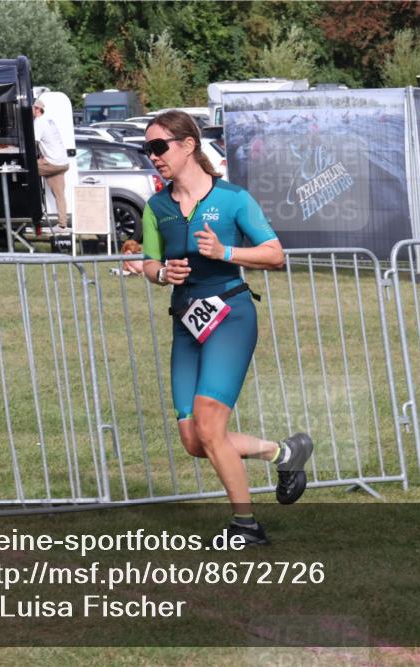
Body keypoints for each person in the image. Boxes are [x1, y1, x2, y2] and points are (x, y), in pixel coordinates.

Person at [140, 110, 313, 545]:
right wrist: (163, 275)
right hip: (187, 324)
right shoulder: (156, 206)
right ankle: (284, 452)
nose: (153, 156)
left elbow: (275, 255)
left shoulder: (233, 199)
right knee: (194, 440)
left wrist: (225, 251)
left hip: (230, 316)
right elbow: (149, 261)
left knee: (211, 426)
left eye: (159, 146)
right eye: (148, 149)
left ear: (188, 146)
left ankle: (246, 526)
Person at [32, 98, 71, 232]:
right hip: (63, 162)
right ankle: (62, 225)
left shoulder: (38, 122)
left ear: (37, 109)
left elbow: (33, 143)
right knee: (60, 195)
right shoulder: (49, 120)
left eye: (31, 108)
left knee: (27, 171)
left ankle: (31, 213)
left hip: (52, 162)